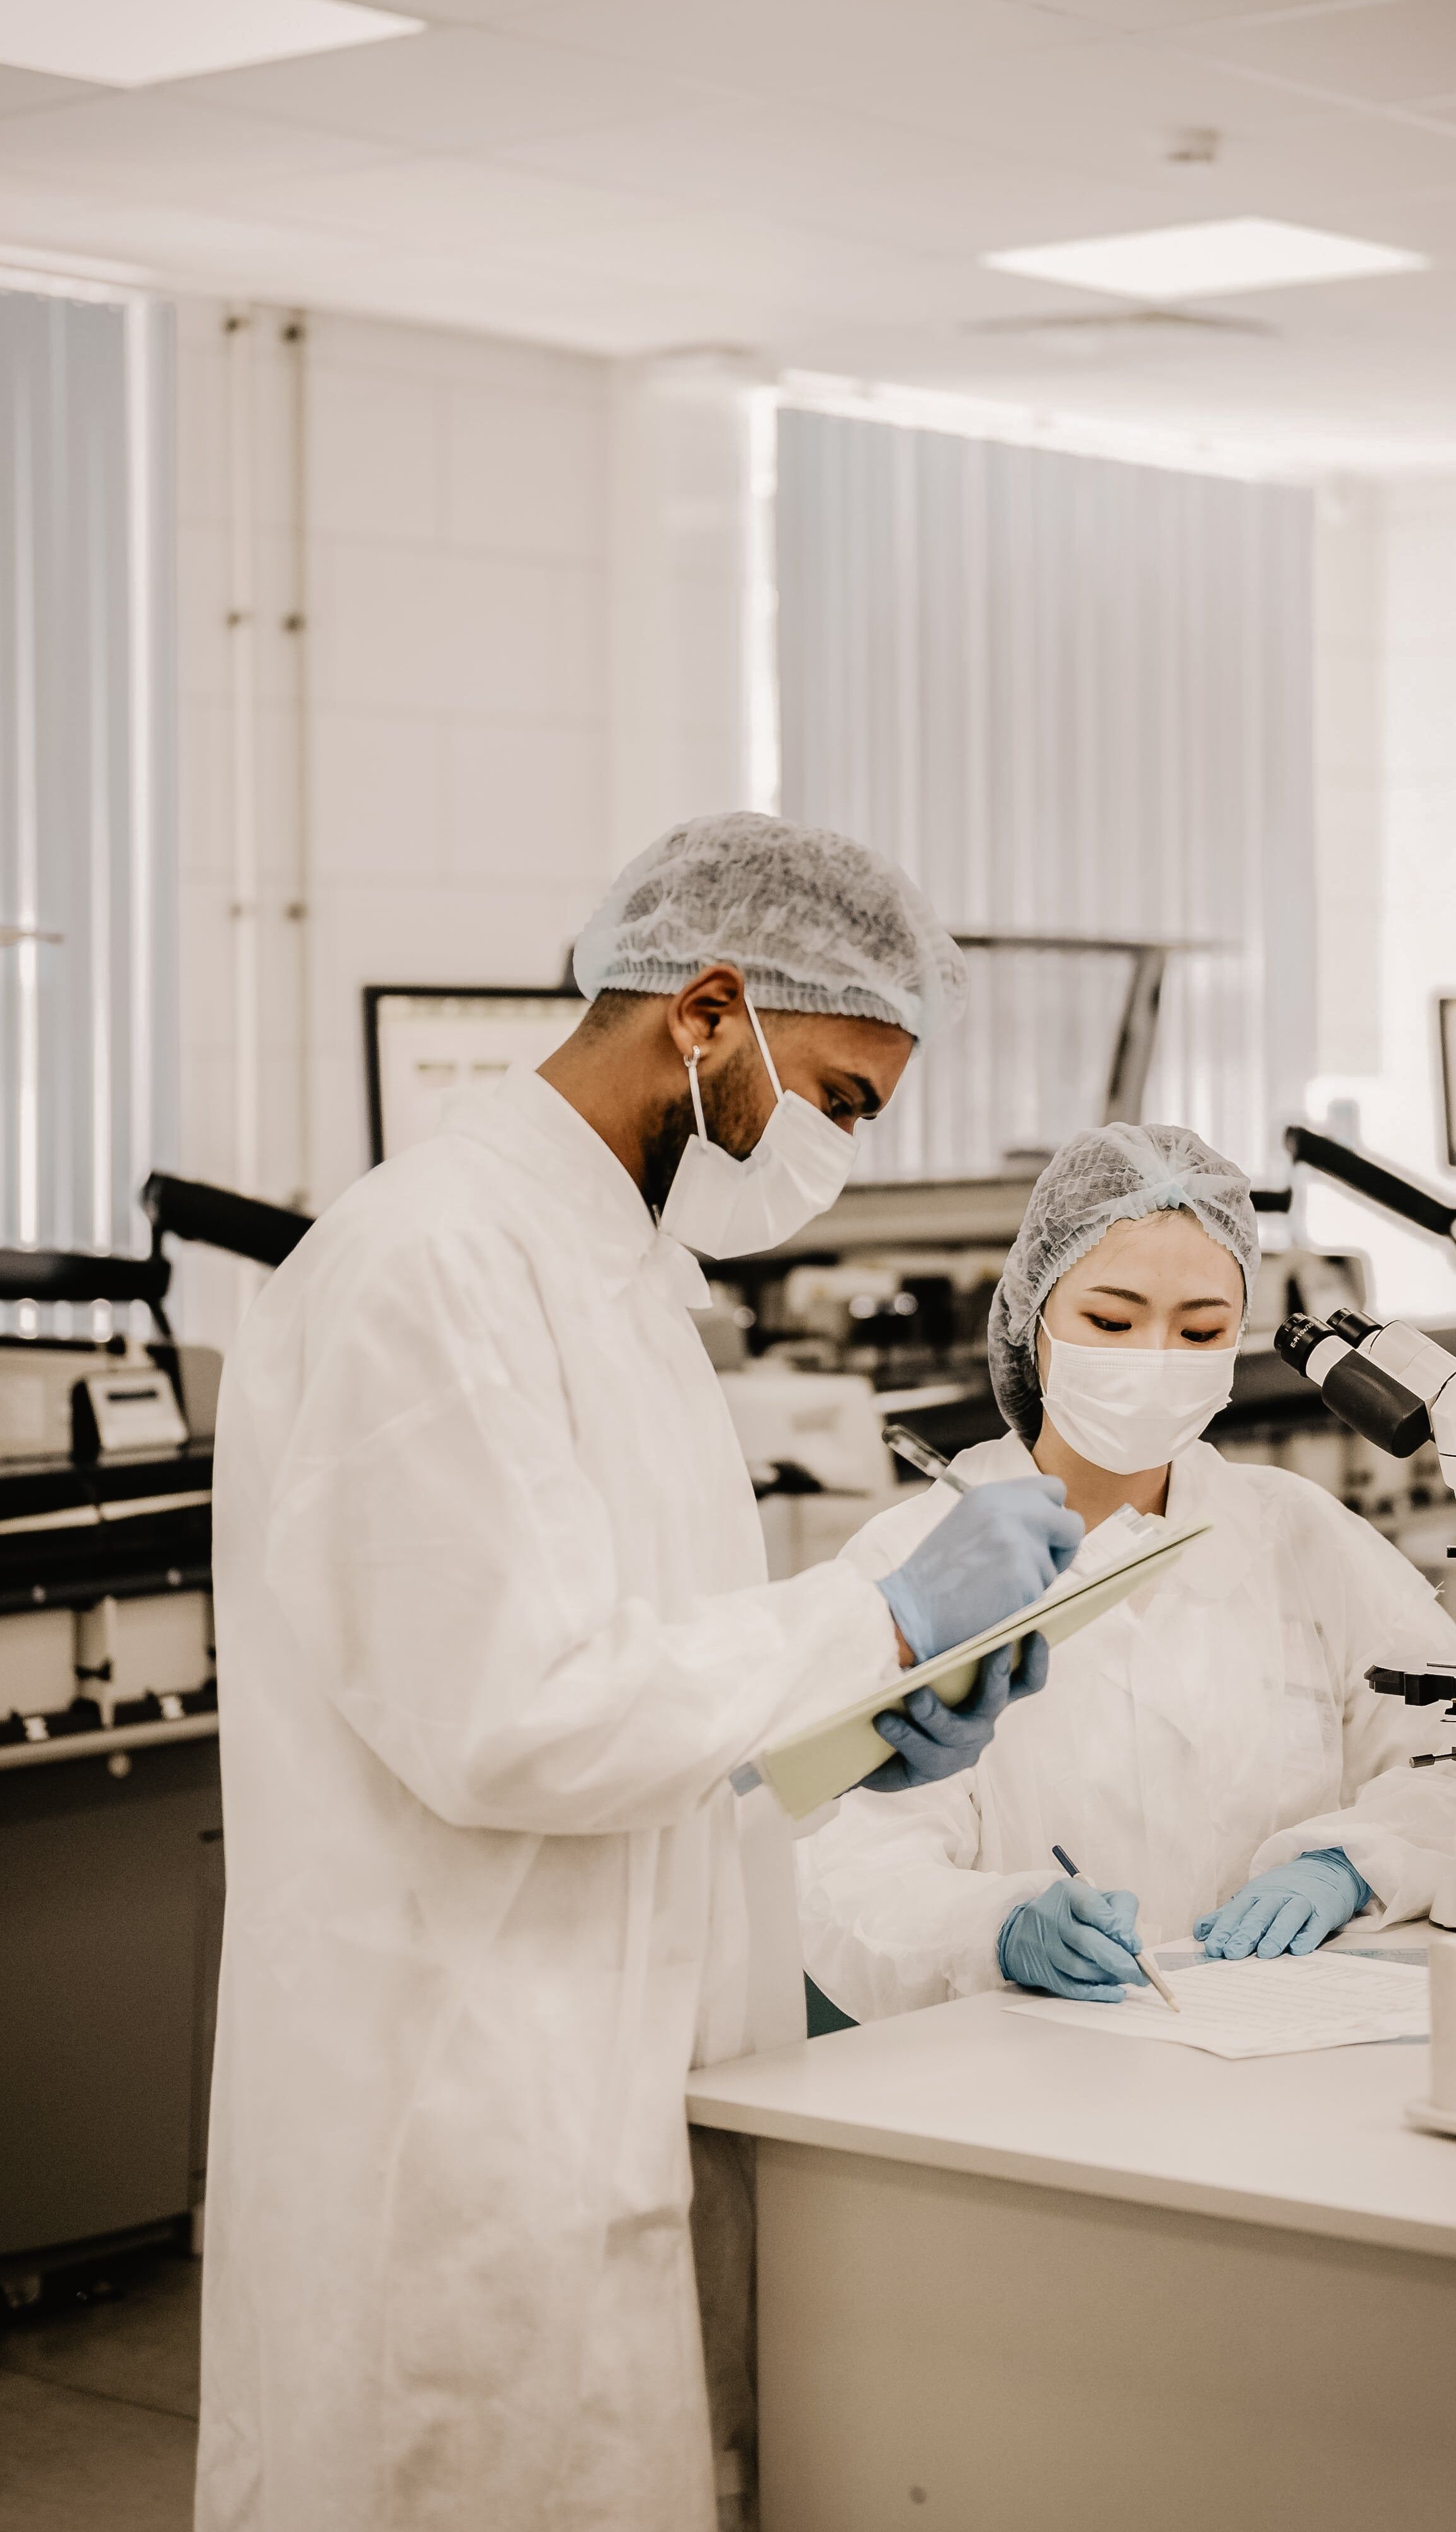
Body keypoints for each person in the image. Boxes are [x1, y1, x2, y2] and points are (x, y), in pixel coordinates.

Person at [196, 813, 1081, 2532]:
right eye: (837, 1095)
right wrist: (884, 1615)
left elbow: (658, 1700)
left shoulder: (616, 1279)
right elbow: (520, 1715)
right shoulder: (430, 1260)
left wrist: (850, 1742)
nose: (835, 1147)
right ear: (707, 1006)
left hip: (606, 2079)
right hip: (455, 2122)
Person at [798, 1123, 1456, 2024]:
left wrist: (1352, 1862)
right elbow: (852, 1871)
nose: (1154, 1357)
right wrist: (994, 1928)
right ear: (1029, 1315)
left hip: (1283, 2049)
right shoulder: (912, 1560)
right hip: (1016, 2074)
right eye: (1110, 1322)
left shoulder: (1298, 1533)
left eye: (1200, 1331)